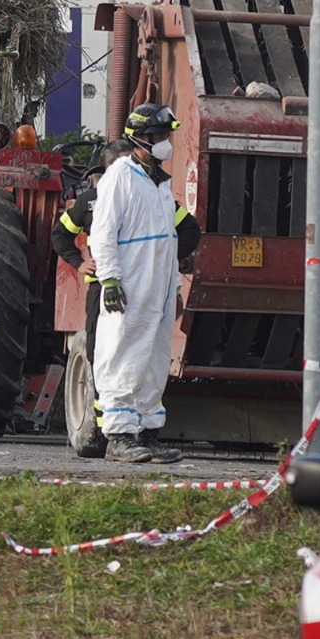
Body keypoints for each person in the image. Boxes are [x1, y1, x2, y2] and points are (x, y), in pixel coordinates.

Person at [50, 138, 200, 458]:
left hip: (145, 288)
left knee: (142, 357)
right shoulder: (90, 201)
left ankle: (130, 433)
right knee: (103, 354)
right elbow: (61, 234)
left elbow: (188, 230)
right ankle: (107, 434)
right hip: (104, 288)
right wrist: (80, 263)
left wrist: (167, 262)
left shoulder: (156, 195)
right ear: (109, 167)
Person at [86, 104, 187, 463]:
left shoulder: (160, 182)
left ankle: (147, 432)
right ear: (140, 139)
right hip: (129, 286)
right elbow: (103, 234)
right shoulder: (120, 177)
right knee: (121, 354)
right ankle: (119, 436)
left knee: (155, 358)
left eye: (166, 135)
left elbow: (168, 241)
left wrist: (174, 286)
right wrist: (110, 278)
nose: (165, 142)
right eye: (159, 136)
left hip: (157, 288)